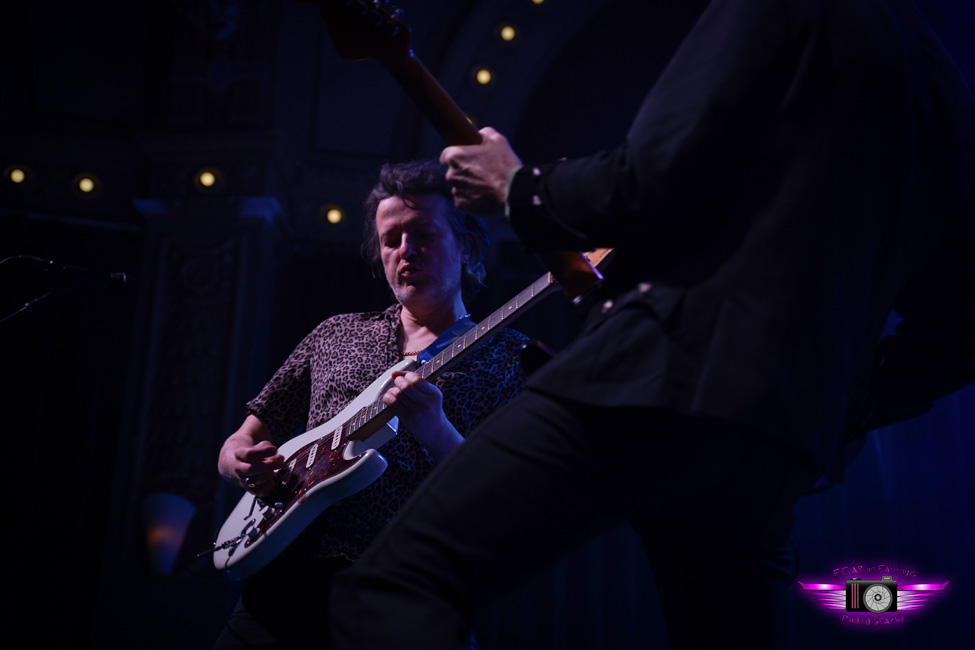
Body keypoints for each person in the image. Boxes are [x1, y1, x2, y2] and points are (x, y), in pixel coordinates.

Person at [328, 0, 975, 648]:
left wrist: (518, 188)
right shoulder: (950, 99)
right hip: (783, 438)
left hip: (664, 368)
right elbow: (959, 331)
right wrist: (845, 404)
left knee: (396, 585)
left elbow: (649, 180)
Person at [212, 160, 529, 648]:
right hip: (282, 587)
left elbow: (506, 497)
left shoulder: (507, 357)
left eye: (422, 233)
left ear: (466, 246)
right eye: (391, 239)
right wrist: (239, 462)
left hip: (408, 593)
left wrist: (436, 427)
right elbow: (242, 438)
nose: (405, 251)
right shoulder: (336, 333)